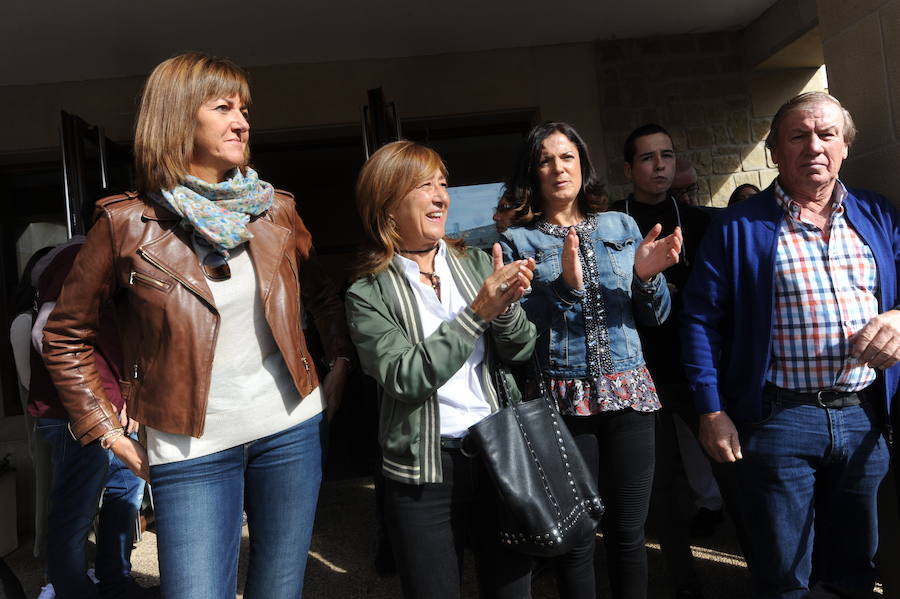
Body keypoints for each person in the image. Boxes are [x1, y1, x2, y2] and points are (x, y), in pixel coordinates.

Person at [41, 52, 352, 599]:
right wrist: (107, 432)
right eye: (224, 107)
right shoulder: (126, 224)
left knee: (279, 591)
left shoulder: (274, 210)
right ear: (179, 117)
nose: (242, 121)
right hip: (190, 450)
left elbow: (322, 293)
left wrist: (339, 365)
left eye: (245, 108)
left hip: (291, 432)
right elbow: (64, 337)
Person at [682, 91, 896, 598]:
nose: (814, 147)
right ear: (775, 151)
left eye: (826, 135)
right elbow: (699, 320)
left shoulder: (877, 214)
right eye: (798, 136)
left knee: (855, 567)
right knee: (783, 572)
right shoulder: (737, 226)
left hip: (864, 415)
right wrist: (711, 410)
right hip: (778, 421)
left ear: (844, 146)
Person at [345, 140, 541, 599]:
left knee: (513, 590)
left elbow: (521, 347)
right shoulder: (367, 292)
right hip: (423, 471)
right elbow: (404, 376)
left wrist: (507, 307)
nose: (440, 196)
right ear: (387, 204)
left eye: (443, 184)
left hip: (499, 454)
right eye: (423, 185)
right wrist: (478, 312)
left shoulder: (475, 262)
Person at [500, 121, 681, 599]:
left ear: (583, 166)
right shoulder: (518, 243)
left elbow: (657, 316)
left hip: (631, 397)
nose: (558, 168)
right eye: (545, 159)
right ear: (532, 172)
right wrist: (561, 288)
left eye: (567, 157)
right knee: (577, 539)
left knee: (629, 533)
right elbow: (516, 333)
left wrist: (646, 277)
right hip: (563, 403)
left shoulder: (620, 226)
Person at [611, 123, 717, 599]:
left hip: (699, 367)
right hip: (643, 371)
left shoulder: (700, 221)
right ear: (628, 168)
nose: (660, 165)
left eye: (667, 155)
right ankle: (684, 582)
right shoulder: (613, 222)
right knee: (663, 486)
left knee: (730, 467)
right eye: (649, 157)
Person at [30, 236, 150, 599]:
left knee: (126, 491)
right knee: (76, 509)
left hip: (110, 407)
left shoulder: (110, 262)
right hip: (74, 412)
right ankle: (71, 591)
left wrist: (124, 395)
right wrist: (94, 406)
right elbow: (46, 335)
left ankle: (114, 579)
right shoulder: (77, 258)